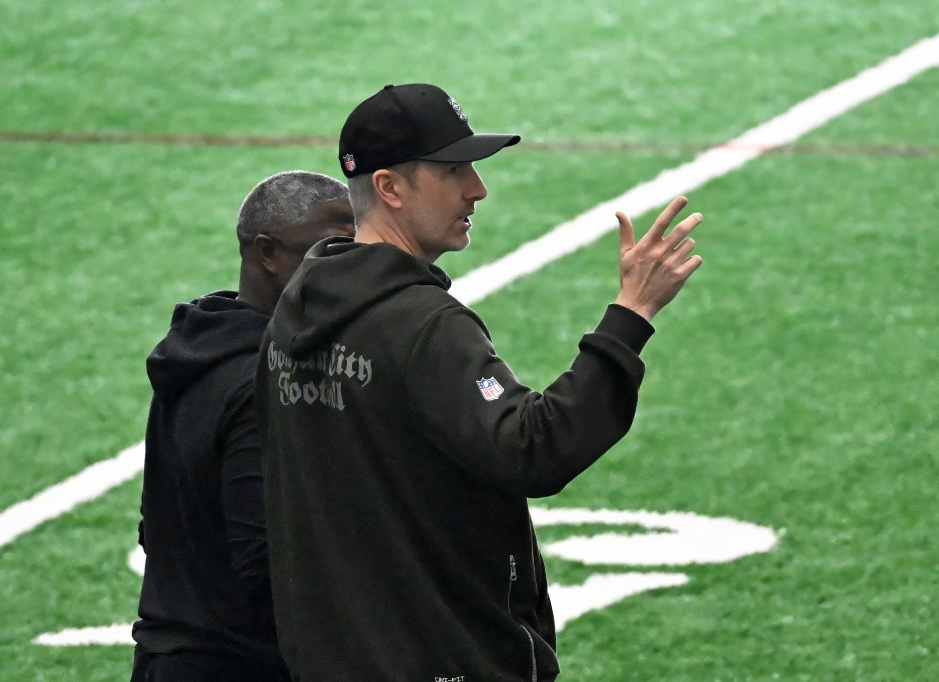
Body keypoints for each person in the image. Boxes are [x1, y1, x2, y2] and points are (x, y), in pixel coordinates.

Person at [256, 84, 703, 681]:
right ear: (390, 187)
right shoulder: (422, 327)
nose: (478, 189)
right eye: (453, 170)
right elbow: (534, 449)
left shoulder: (289, 319)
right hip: (443, 659)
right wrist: (631, 316)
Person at [131, 171, 354, 682]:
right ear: (268, 253)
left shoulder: (193, 355)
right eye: (330, 249)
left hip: (171, 656)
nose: (346, 269)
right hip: (240, 664)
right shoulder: (265, 378)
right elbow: (266, 563)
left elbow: (157, 526)